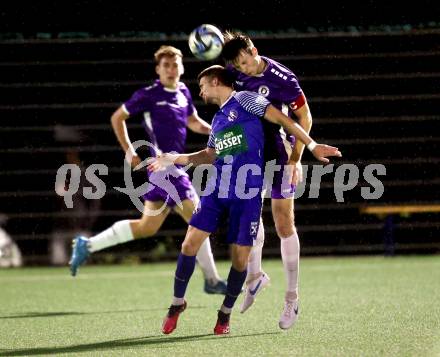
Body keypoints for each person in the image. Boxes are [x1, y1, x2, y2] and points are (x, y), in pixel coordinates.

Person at [151, 65, 341, 335]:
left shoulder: (245, 99)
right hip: (217, 188)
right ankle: (176, 303)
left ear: (215, 81)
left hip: (248, 191)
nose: (200, 90)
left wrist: (310, 146)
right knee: (189, 243)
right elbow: (209, 155)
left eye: (202, 85)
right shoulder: (217, 119)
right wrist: (174, 159)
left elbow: (285, 120)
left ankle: (224, 314)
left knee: (240, 259)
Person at [69, 45, 227, 294]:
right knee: (200, 219)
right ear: (158, 69)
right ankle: (212, 280)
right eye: (166, 65)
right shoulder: (149, 94)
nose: (171, 69)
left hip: (171, 168)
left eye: (175, 65)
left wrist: (216, 130)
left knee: (147, 227)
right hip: (165, 169)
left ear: (182, 67)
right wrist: (129, 151)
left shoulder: (184, 91)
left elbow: (193, 122)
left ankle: (87, 245)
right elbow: (117, 117)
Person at [221, 31, 314, 328]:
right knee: (247, 217)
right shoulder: (235, 76)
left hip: (280, 153)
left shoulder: (283, 79)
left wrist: (296, 159)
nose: (244, 69)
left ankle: (292, 299)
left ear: (254, 50)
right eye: (238, 65)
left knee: (283, 222)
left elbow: (306, 119)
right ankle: (256, 277)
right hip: (250, 153)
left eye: (245, 62)